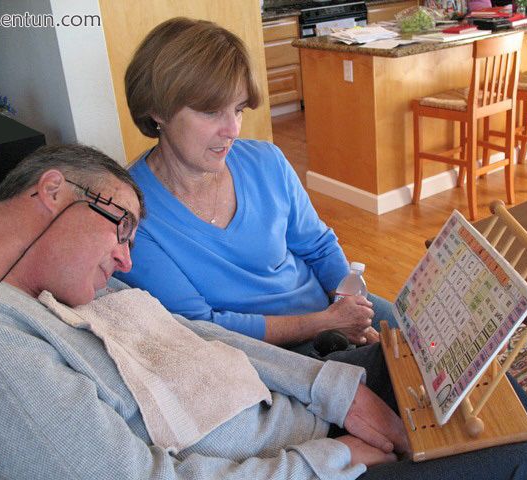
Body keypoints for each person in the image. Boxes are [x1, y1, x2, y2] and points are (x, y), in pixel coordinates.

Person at [0, 144, 527, 479]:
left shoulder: (54, 287)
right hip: (293, 461)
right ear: (52, 192)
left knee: (455, 369)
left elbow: (195, 333)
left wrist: (334, 389)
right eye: (121, 229)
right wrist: (328, 457)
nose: (128, 259)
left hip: (297, 411)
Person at [115, 17, 394, 350]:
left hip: (329, 310)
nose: (232, 129)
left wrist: (347, 303)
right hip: (269, 353)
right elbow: (200, 326)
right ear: (157, 109)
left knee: (425, 336)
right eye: (211, 112)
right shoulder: (132, 212)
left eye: (238, 109)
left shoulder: (266, 161)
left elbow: (318, 247)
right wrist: (328, 323)